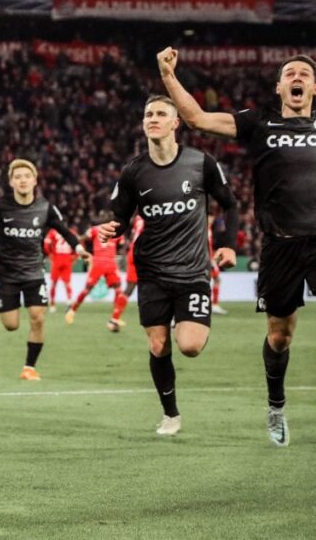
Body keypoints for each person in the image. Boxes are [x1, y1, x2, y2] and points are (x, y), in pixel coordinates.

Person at [158, 47, 316, 446]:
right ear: (279, 86)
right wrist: (169, 76)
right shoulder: (258, 122)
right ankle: (276, 405)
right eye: (290, 73)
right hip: (279, 246)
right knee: (280, 337)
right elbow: (197, 118)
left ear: (315, 87)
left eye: (304, 74)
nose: (297, 78)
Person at [97, 94, 239, 436]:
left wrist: (228, 245)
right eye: (148, 114)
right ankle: (171, 414)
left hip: (192, 271)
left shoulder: (201, 163)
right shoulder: (133, 171)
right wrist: (111, 230)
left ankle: (187, 321)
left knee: (189, 346)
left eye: (161, 113)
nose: (153, 118)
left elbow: (229, 205)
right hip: (153, 273)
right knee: (158, 344)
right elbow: (121, 219)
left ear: (176, 123)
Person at [0, 158, 87, 380]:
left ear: (34, 180)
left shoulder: (45, 207)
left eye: (26, 176)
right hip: (7, 275)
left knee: (38, 318)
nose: (22, 180)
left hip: (33, 272)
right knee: (11, 325)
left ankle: (29, 368)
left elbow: (64, 230)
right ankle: (14, 315)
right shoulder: (0, 206)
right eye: (17, 177)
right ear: (11, 182)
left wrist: (78, 248)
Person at [65, 219, 129, 331]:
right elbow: (123, 244)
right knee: (87, 289)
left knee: (118, 289)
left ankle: (115, 318)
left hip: (110, 262)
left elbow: (82, 238)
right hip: (99, 262)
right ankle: (72, 311)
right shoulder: (109, 230)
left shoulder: (96, 229)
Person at [44, 227, 77, 312]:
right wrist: (75, 257)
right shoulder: (71, 231)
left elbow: (46, 244)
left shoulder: (53, 231)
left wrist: (50, 254)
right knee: (67, 283)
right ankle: (69, 303)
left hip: (57, 259)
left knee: (54, 283)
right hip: (67, 259)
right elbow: (77, 244)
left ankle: (52, 305)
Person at [123, 214, 145, 300]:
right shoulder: (153, 217)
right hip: (143, 251)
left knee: (130, 286)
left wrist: (125, 250)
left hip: (132, 251)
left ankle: (116, 312)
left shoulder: (137, 218)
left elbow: (132, 235)